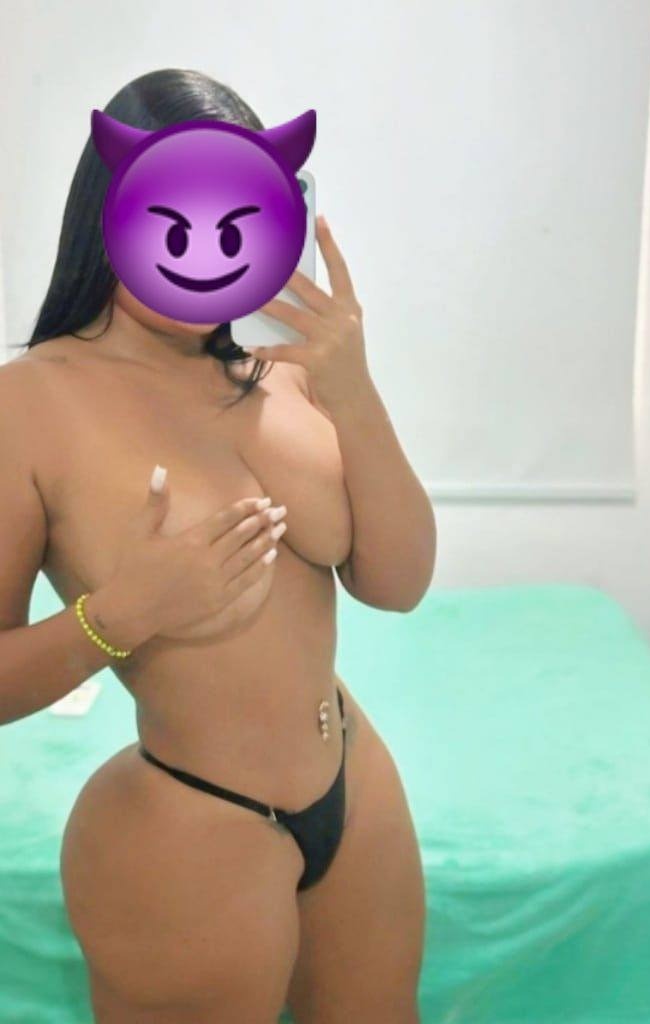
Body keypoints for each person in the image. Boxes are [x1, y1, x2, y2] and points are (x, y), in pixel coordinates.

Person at [0, 67, 435, 1022]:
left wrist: (354, 386)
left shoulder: (288, 375)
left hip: (353, 777)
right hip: (193, 818)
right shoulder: (29, 405)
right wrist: (120, 617)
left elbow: (399, 583)